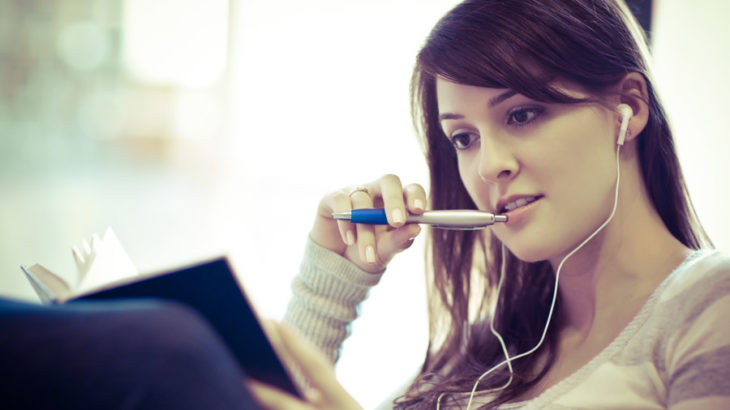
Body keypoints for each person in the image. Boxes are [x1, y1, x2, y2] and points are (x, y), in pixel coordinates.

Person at [248, 0, 730, 409]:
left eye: (522, 114)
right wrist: (332, 280)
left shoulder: (711, 304)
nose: (487, 166)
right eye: (464, 138)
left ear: (630, 108)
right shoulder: (480, 353)